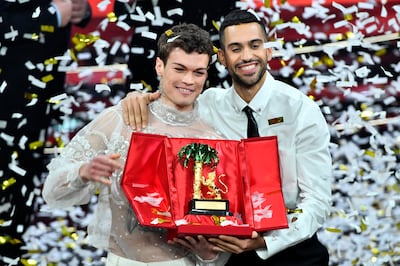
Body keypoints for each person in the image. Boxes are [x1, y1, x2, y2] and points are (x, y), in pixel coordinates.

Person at [121, 9, 332, 266]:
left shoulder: (301, 109)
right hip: (227, 251)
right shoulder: (208, 104)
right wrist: (141, 98)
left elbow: (317, 200)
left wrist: (265, 241)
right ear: (221, 57)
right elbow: (169, 104)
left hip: (293, 250)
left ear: (268, 50)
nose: (246, 56)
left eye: (254, 45)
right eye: (235, 48)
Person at [42, 23, 231, 266]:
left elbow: (221, 227)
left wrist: (209, 255)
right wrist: (82, 172)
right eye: (180, 68)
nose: (188, 80)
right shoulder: (120, 119)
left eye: (198, 72)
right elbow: (52, 192)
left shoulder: (214, 139)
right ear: (159, 66)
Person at [0, 0, 91, 263]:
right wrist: (49, 16)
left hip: (41, 97)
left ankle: (10, 252)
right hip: (7, 95)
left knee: (24, 179)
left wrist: (78, 10)